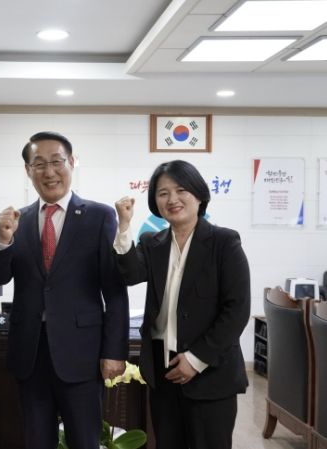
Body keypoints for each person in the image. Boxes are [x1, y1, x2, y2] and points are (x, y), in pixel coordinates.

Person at [0, 131, 130, 449]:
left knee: (84, 441)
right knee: (36, 440)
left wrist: (114, 351)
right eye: (39, 164)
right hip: (30, 353)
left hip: (82, 353)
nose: (49, 172)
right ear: (28, 170)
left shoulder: (99, 216)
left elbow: (114, 290)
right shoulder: (18, 221)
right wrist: (4, 240)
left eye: (56, 162)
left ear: (72, 162)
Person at [113, 160, 250, 449]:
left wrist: (196, 359)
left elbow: (237, 310)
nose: (172, 199)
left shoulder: (224, 242)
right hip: (163, 368)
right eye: (163, 193)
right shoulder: (152, 242)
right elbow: (130, 274)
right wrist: (124, 226)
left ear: (199, 195)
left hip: (210, 370)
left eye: (181, 190)